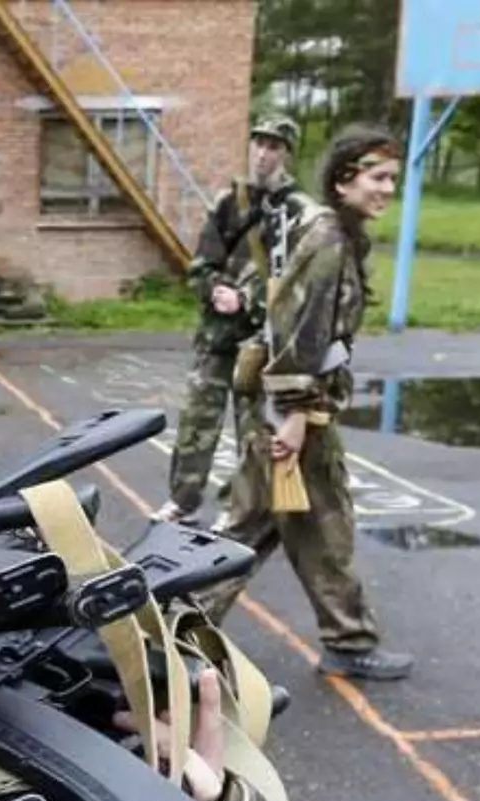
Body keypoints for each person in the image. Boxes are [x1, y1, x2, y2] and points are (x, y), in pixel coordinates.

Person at [198, 124, 415, 682]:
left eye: (392, 179)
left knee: (279, 525)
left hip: (294, 408)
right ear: (343, 181)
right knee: (290, 525)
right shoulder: (327, 240)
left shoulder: (337, 233)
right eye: (376, 177)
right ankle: (171, 636)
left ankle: (345, 638)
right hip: (292, 412)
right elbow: (298, 332)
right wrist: (294, 417)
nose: (387, 189)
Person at [155, 115, 311, 529]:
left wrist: (247, 299)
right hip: (217, 334)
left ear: (287, 153)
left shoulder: (298, 211)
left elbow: (298, 280)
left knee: (252, 429)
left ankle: (237, 506)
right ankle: (183, 501)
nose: (263, 154)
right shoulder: (230, 201)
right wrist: (215, 291)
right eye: (258, 144)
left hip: (261, 339)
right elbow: (200, 265)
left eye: (273, 146)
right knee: (197, 420)